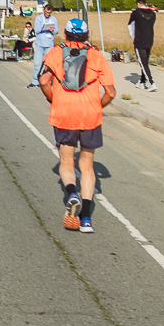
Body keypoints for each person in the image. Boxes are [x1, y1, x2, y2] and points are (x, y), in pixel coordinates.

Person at [37, 17, 115, 233]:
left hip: (64, 114)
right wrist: (97, 106)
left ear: (66, 34)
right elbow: (111, 92)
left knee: (66, 160)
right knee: (88, 166)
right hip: (89, 116)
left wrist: (52, 98)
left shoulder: (54, 53)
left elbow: (43, 80)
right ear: (87, 35)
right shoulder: (96, 56)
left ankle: (71, 193)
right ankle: (87, 219)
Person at [128, 0, 158, 91]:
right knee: (145, 62)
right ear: (145, 3)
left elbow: (130, 25)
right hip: (150, 40)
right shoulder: (153, 14)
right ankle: (142, 81)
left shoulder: (135, 13)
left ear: (138, 4)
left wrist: (133, 36)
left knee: (143, 63)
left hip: (140, 41)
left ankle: (152, 83)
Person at [29, 3, 58, 89]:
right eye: (46, 12)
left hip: (49, 44)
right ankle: (35, 81)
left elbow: (57, 31)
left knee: (48, 64)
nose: (48, 14)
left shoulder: (54, 19)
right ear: (43, 10)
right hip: (40, 43)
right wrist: (44, 26)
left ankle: (47, 80)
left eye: (49, 13)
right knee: (37, 63)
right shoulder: (38, 18)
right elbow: (36, 30)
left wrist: (53, 30)